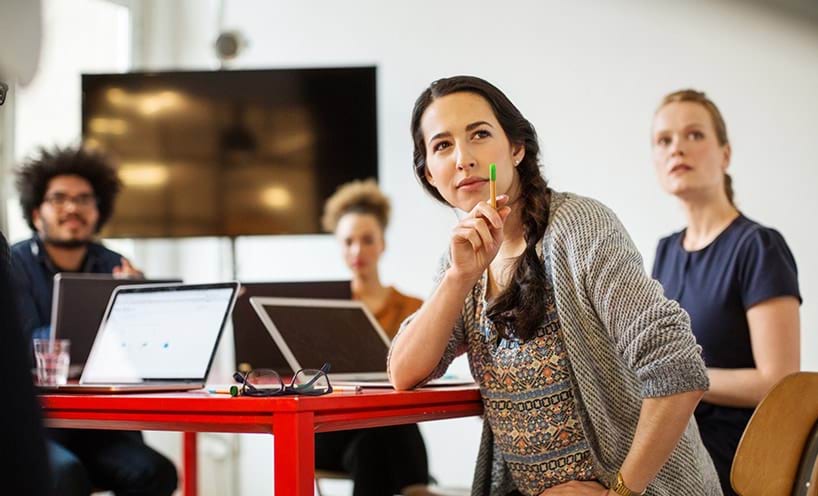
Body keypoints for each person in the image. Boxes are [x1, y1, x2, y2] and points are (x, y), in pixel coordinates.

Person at [388, 76, 722, 496]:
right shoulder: (461, 262)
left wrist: (620, 492)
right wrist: (458, 278)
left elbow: (677, 366)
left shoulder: (579, 227)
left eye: (479, 135)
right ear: (429, 175)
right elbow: (404, 372)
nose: (463, 158)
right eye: (442, 146)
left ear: (516, 148)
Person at [650, 89, 801, 495]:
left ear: (725, 154)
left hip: (737, 455)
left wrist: (684, 380)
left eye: (694, 135)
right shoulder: (665, 250)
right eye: (664, 140)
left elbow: (780, 382)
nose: (677, 148)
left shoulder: (758, 247)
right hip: (677, 439)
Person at [10, 145, 178, 496]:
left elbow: (151, 353)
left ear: (98, 210)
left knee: (157, 473)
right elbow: (21, 345)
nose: (72, 207)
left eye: (84, 199)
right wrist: (108, 321)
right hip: (36, 425)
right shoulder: (14, 264)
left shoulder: (115, 264)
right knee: (66, 475)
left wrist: (141, 305)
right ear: (36, 211)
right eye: (59, 198)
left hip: (100, 426)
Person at [314, 178, 434, 496]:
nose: (357, 250)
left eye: (367, 240)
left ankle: (415, 486)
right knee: (382, 433)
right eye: (348, 241)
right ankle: (417, 487)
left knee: (374, 440)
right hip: (328, 428)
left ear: (382, 243)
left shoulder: (414, 309)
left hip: (378, 432)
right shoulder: (320, 309)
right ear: (338, 246)